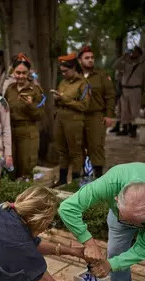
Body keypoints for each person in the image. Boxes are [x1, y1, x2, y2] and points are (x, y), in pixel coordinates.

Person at [3, 53, 45, 178]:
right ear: (13, 72)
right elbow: (4, 110)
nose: (21, 76)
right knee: (11, 169)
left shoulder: (36, 90)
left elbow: (40, 115)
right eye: (18, 73)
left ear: (28, 73)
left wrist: (30, 105)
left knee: (26, 168)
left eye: (24, 73)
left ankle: (27, 196)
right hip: (11, 132)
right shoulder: (10, 89)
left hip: (28, 132)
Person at [78, 46, 116, 178]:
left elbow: (110, 96)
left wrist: (109, 115)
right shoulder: (76, 76)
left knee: (96, 146)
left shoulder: (101, 76)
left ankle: (99, 176)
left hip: (95, 115)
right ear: (79, 60)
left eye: (92, 58)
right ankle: (84, 175)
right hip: (78, 116)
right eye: (86, 58)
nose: (90, 60)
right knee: (79, 146)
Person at [53, 52, 90, 185]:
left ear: (74, 68)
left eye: (65, 71)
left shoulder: (83, 83)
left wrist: (64, 99)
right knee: (62, 151)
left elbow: (84, 106)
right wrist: (57, 99)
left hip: (74, 120)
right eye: (61, 71)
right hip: (60, 118)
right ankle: (62, 180)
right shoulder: (63, 82)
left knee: (75, 152)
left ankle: (75, 182)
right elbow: (60, 100)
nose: (63, 73)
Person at [113, 46, 145, 137]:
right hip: (125, 89)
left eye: (136, 51)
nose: (133, 53)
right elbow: (114, 66)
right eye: (133, 51)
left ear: (139, 53)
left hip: (136, 89)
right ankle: (125, 128)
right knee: (124, 110)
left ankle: (133, 128)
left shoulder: (142, 64)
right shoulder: (125, 62)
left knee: (134, 111)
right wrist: (123, 57)